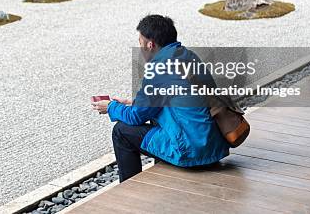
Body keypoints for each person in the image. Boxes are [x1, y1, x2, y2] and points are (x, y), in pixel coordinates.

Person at [92, 14, 229, 182]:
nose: (140, 48)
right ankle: (164, 165)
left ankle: (129, 187)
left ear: (150, 44)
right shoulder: (189, 56)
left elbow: (135, 117)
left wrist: (111, 107)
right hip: (213, 147)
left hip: (192, 152)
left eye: (140, 43)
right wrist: (132, 102)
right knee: (154, 117)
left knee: (121, 131)